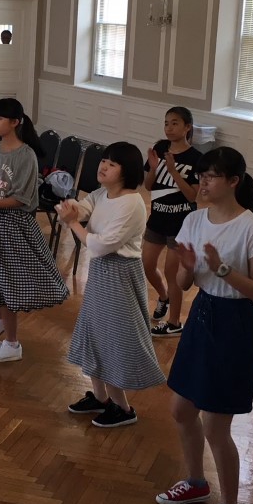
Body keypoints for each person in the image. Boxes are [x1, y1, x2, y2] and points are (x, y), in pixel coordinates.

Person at [154, 148, 253, 504]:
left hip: (235, 322)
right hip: (203, 314)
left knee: (216, 426)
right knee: (181, 410)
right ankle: (196, 482)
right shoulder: (193, 220)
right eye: (201, 176)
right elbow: (184, 284)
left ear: (233, 181)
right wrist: (188, 270)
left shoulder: (252, 228)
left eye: (211, 177)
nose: (202, 182)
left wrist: (223, 269)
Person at [60, 142, 164, 427]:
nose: (103, 166)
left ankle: (123, 409)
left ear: (126, 171)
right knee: (94, 333)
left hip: (120, 276)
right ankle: (100, 397)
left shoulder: (132, 204)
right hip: (102, 274)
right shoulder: (102, 194)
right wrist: (69, 207)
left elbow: (101, 245)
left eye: (112, 163)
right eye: (103, 160)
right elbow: (84, 208)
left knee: (113, 340)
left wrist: (72, 223)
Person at [0, 97, 69, 363]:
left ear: (15, 122)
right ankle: (1, 321)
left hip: (14, 227)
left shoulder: (26, 156)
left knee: (6, 284)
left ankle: (12, 344)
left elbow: (21, 199)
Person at [141, 107, 204, 337]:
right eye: (166, 123)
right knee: (147, 264)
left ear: (188, 127)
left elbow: (193, 196)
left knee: (172, 273)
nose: (169, 128)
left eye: (175, 123)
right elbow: (148, 186)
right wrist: (154, 169)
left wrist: (173, 171)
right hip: (157, 218)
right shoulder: (160, 149)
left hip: (181, 224)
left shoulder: (196, 158)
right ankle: (164, 296)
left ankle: (174, 322)